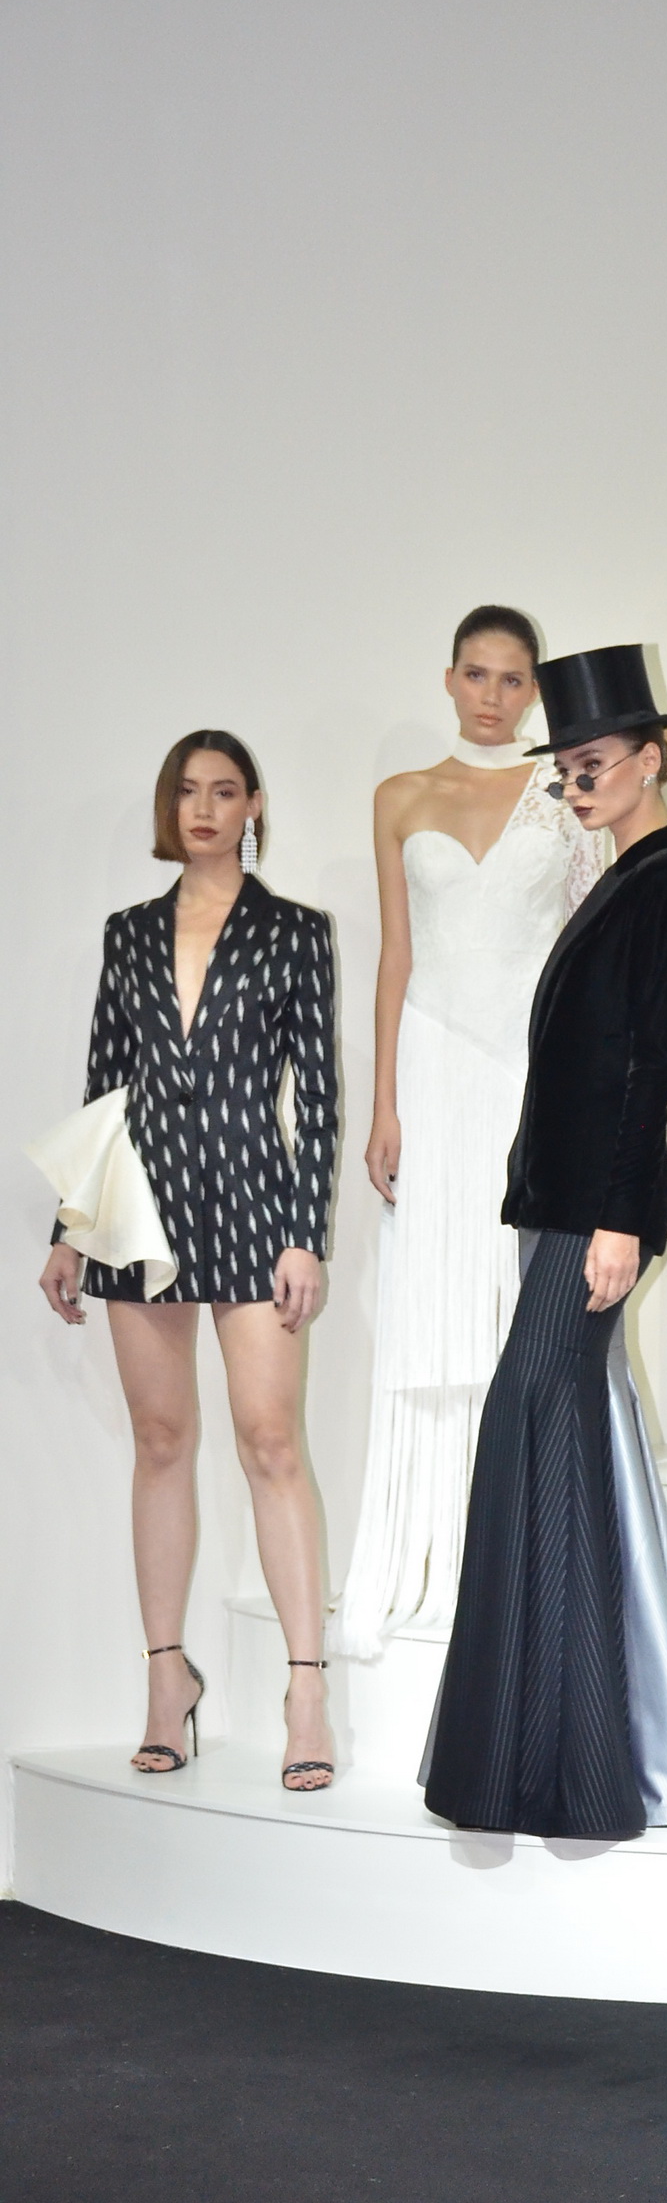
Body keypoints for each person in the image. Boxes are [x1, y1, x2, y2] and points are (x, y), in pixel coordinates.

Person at [423, 648, 667, 1839]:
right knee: (556, 1441)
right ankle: (563, 1754)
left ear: (649, 760)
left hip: (595, 1212)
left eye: (592, 764)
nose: (575, 784)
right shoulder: (623, 877)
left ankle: (555, 1756)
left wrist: (617, 1219)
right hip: (561, 1203)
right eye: (566, 769)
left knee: (526, 1421)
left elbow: (651, 1064)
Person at [38, 732, 338, 1790]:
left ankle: (307, 1692)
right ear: (170, 807)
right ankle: (167, 1678)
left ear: (253, 804)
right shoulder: (128, 933)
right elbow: (104, 1087)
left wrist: (305, 1232)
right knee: (161, 1440)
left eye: (224, 790)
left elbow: (319, 1094)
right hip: (141, 1213)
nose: (204, 807)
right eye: (187, 791)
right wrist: (70, 1227)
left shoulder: (296, 932)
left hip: (255, 1205)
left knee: (271, 1442)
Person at [338, 605, 601, 1657]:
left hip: (533, 1068)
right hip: (435, 1065)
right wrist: (383, 1101)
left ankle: (522, 1559)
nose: (493, 696)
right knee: (436, 1291)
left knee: (517, 1292)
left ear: (533, 689)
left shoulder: (564, 792)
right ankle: (430, 1551)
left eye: (511, 679)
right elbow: (396, 956)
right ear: (449, 678)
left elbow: (587, 943)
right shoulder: (400, 796)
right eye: (477, 675)